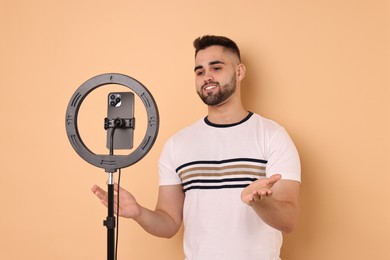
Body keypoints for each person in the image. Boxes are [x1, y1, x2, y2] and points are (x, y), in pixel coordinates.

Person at [92, 35, 301, 260]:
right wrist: (138, 213)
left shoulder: (273, 136)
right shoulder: (177, 145)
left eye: (216, 67)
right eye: (199, 71)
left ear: (239, 72)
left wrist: (261, 202)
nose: (206, 76)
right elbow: (169, 223)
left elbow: (288, 221)